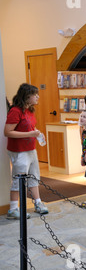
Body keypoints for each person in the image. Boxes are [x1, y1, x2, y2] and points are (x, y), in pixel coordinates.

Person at [4, 83, 48, 219]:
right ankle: (12, 209)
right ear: (26, 96)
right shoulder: (15, 111)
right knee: (18, 180)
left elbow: (29, 128)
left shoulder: (30, 110)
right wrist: (30, 134)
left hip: (31, 149)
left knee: (34, 176)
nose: (37, 97)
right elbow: (8, 132)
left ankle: (38, 203)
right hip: (19, 151)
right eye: (35, 94)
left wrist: (36, 134)